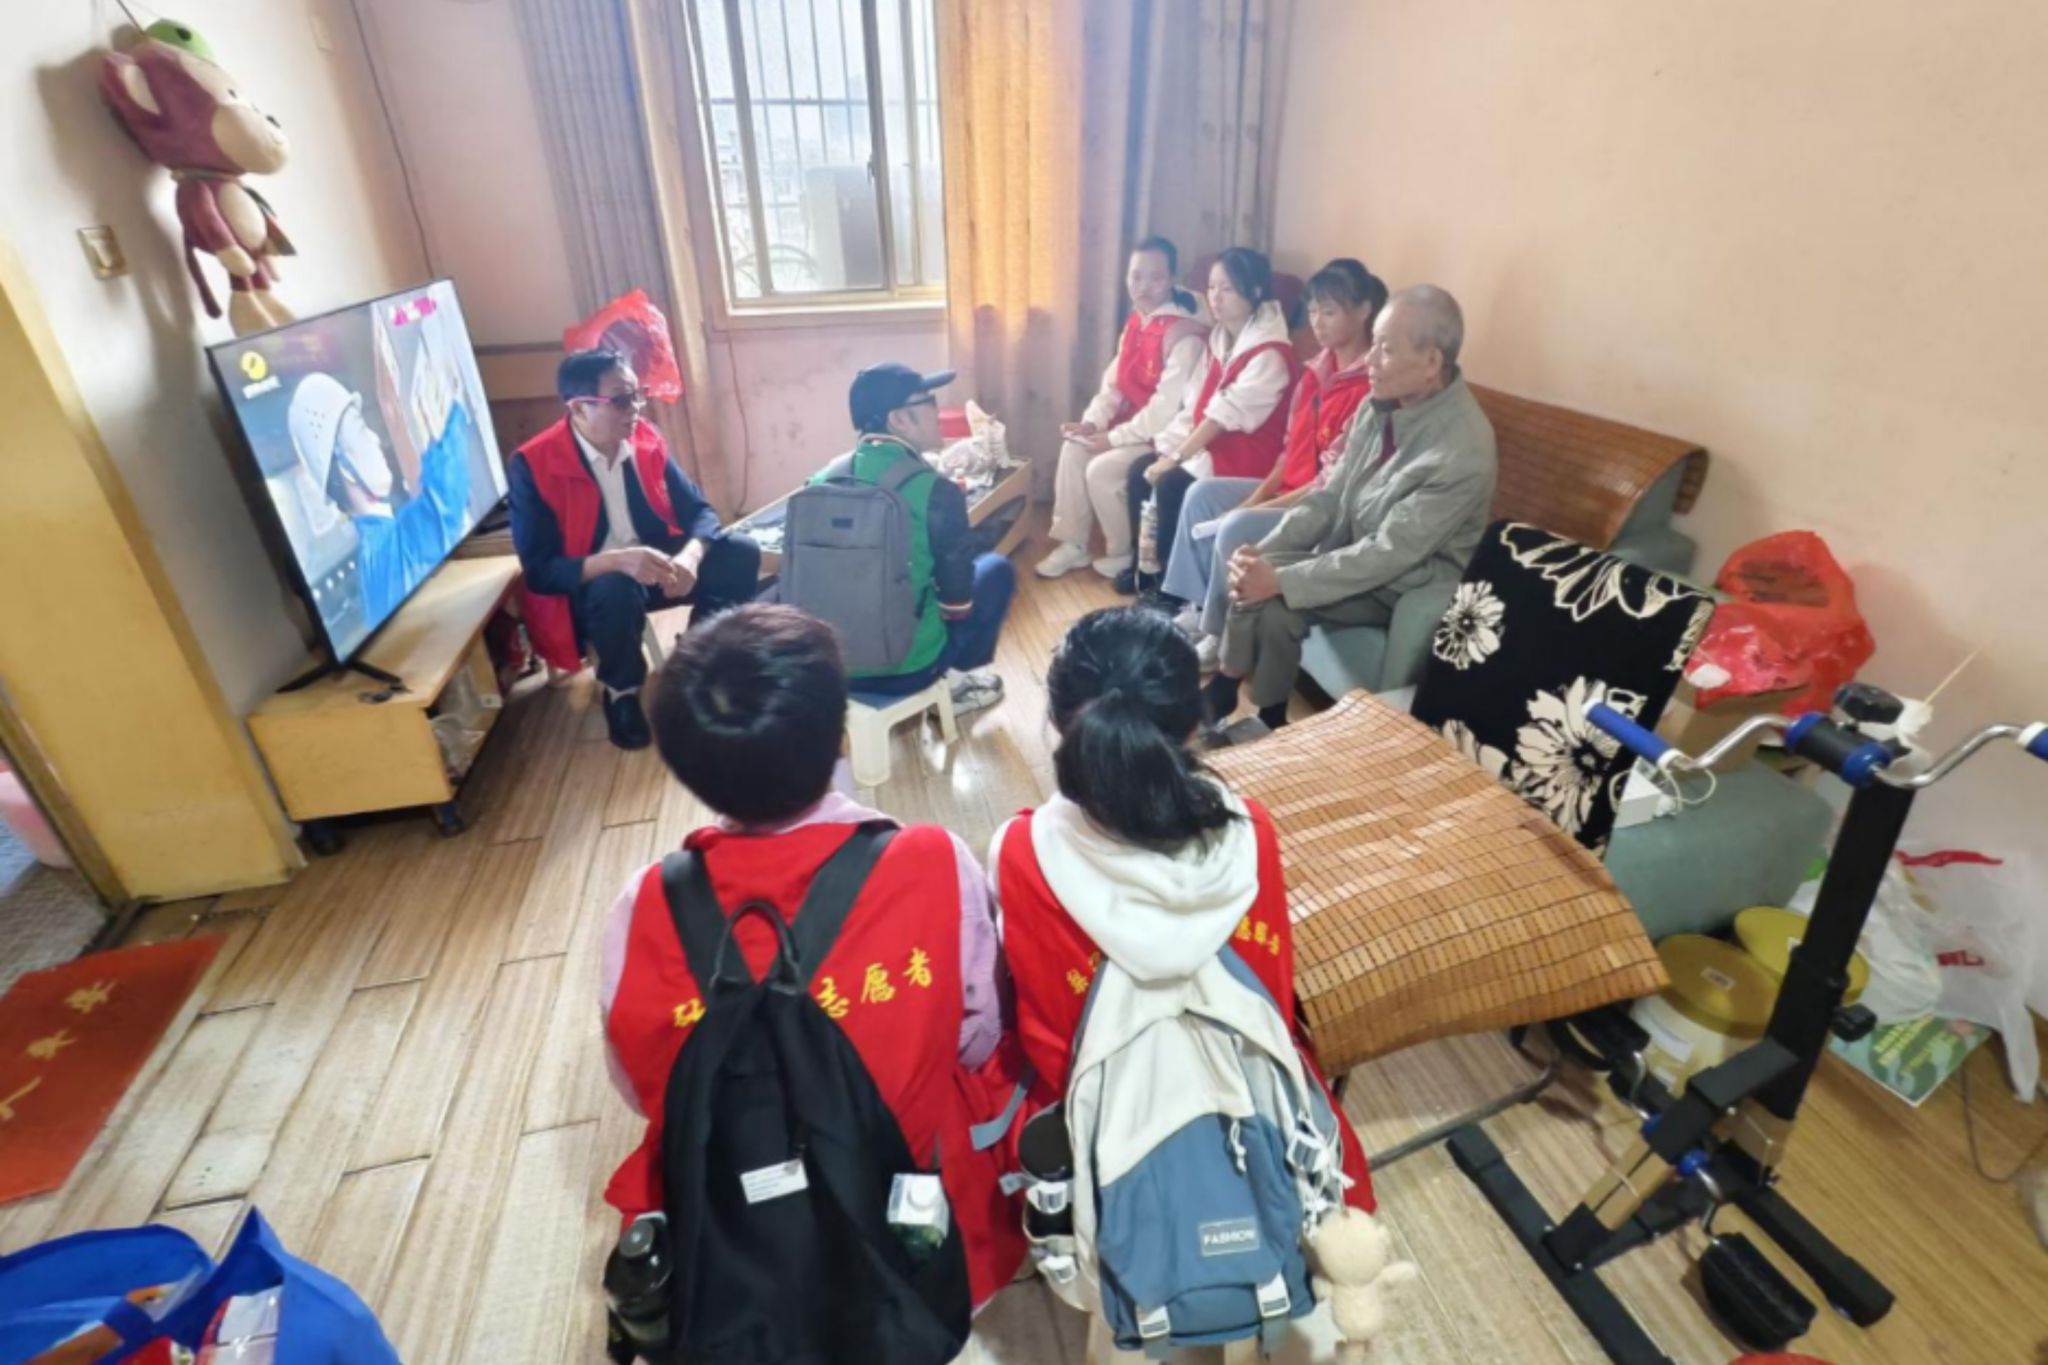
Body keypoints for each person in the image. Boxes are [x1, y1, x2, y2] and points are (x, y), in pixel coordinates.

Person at [599, 603, 1028, 1315]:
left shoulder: (644, 907)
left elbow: (644, 1086)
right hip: (919, 1210)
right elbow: (979, 1032)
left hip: (748, 1231)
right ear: (839, 736)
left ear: (685, 770)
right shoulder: (933, 862)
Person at [988, 607, 1375, 1210]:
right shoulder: (1251, 831)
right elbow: (1273, 989)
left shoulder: (1021, 850)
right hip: (1256, 1113)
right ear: (1193, 725)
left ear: (1061, 725)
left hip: (1094, 1129)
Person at [1207, 285, 1498, 732]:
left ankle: (1227, 695)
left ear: (1431, 362)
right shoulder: (1377, 405)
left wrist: (1280, 577)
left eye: (1386, 349)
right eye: (1374, 343)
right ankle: (1263, 714)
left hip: (1407, 581)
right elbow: (1329, 497)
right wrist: (1265, 553)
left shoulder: (1462, 452)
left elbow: (1389, 554)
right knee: (1258, 577)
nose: (1370, 360)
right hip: (1356, 553)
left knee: (1274, 587)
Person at [506, 350, 760, 751]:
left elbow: (700, 511)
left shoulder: (644, 439)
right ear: (579, 408)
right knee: (615, 588)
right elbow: (540, 572)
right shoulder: (533, 464)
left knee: (741, 552)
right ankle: (621, 692)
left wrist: (689, 557)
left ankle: (699, 660)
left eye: (638, 395)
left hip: (656, 567)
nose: (637, 409)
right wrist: (617, 561)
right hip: (593, 590)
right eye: (622, 400)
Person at [1161, 259, 1387, 670]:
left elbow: (1332, 483)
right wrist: (1257, 497)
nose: (1317, 322)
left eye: (1329, 311)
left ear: (1363, 311)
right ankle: (1194, 605)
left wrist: (1254, 509)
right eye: (1313, 311)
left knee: (1235, 525)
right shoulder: (1314, 372)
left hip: (1322, 510)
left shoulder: (1369, 388)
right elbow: (1289, 453)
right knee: (1202, 494)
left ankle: (1217, 634)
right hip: (1289, 489)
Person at [824, 363, 1016, 715]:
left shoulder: (823, 478)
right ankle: (953, 685)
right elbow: (957, 605)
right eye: (929, 402)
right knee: (995, 570)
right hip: (907, 670)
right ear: (899, 420)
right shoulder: (935, 491)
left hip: (827, 663)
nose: (937, 412)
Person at [1119, 246, 1299, 597]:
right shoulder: (1220, 339)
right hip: (1211, 447)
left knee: (1171, 483)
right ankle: (1144, 567)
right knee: (1139, 471)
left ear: (1255, 291)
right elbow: (1197, 403)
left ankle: (1171, 591)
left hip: (1246, 458)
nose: (1215, 297)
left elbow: (1222, 416)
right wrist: (1166, 449)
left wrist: (1175, 459)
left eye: (1227, 288)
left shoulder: (1271, 354)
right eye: (1212, 287)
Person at [1036, 236, 1209, 580]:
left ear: (1173, 279)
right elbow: (1112, 385)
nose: (1143, 287)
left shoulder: (1184, 335)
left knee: (1100, 469)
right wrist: (1091, 423)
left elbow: (1164, 411)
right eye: (1136, 276)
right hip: (1132, 427)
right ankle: (1074, 544)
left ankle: (1123, 552)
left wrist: (1112, 439)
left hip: (1164, 437)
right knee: (1074, 448)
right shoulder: (1137, 322)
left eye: (1156, 278)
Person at [287, 368, 471, 629]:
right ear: (344, 468)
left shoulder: (379, 545)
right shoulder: (383, 556)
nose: (374, 437)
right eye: (361, 430)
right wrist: (457, 402)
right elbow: (445, 499)